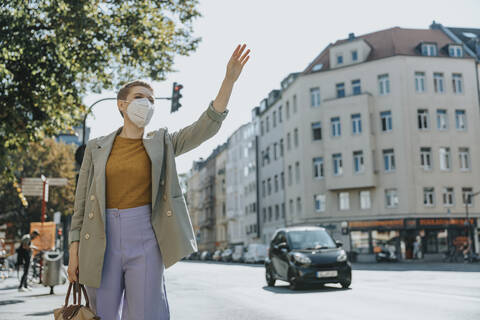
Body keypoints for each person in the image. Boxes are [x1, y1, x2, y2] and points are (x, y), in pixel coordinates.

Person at [67, 44, 250, 319]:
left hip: (145, 236)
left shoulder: (161, 142)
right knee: (100, 314)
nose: (147, 104)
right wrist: (74, 253)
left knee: (147, 313)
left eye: (152, 100)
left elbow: (205, 127)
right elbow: (80, 206)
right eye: (140, 97)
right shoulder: (96, 147)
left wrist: (229, 81)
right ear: (122, 104)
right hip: (100, 238)